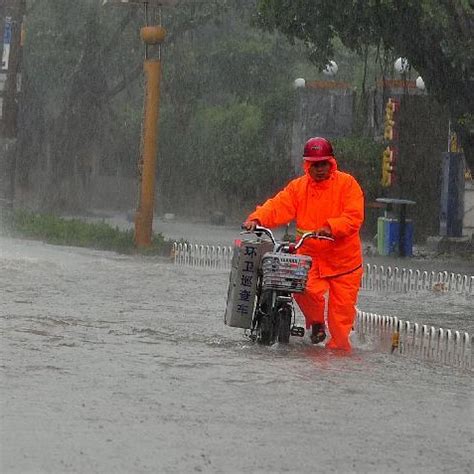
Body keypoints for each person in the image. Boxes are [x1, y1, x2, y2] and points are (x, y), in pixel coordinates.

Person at [243, 137, 364, 351]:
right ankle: (316, 325)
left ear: (331, 163)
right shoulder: (299, 188)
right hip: (310, 259)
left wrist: (331, 227)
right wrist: (257, 219)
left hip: (345, 265)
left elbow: (354, 216)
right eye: (314, 165)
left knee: (340, 324)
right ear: (307, 165)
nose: (319, 169)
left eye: (323, 164)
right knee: (303, 288)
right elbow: (278, 205)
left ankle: (337, 367)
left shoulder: (348, 185)